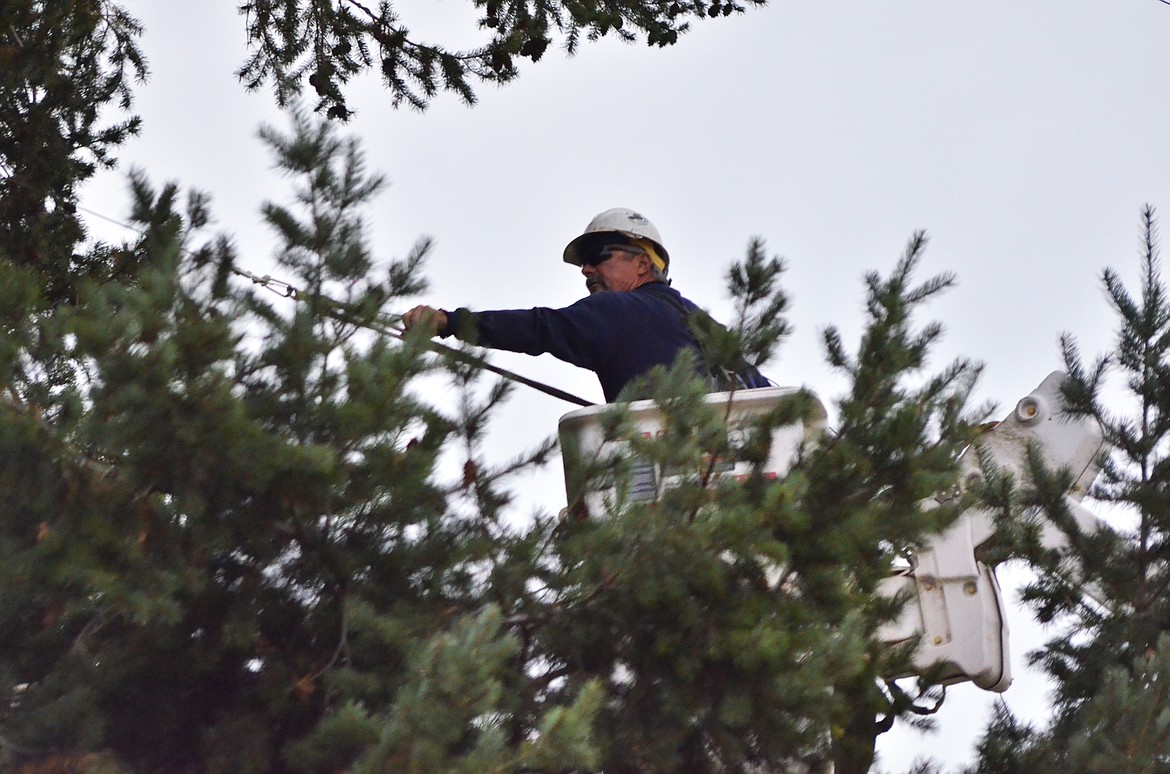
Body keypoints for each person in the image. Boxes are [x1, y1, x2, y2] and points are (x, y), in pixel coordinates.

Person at [401, 207, 770, 403]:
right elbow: (764, 392)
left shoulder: (620, 310)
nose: (587, 270)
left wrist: (449, 322)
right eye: (583, 264)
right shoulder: (701, 324)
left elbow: (540, 328)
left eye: (597, 256)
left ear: (643, 263)